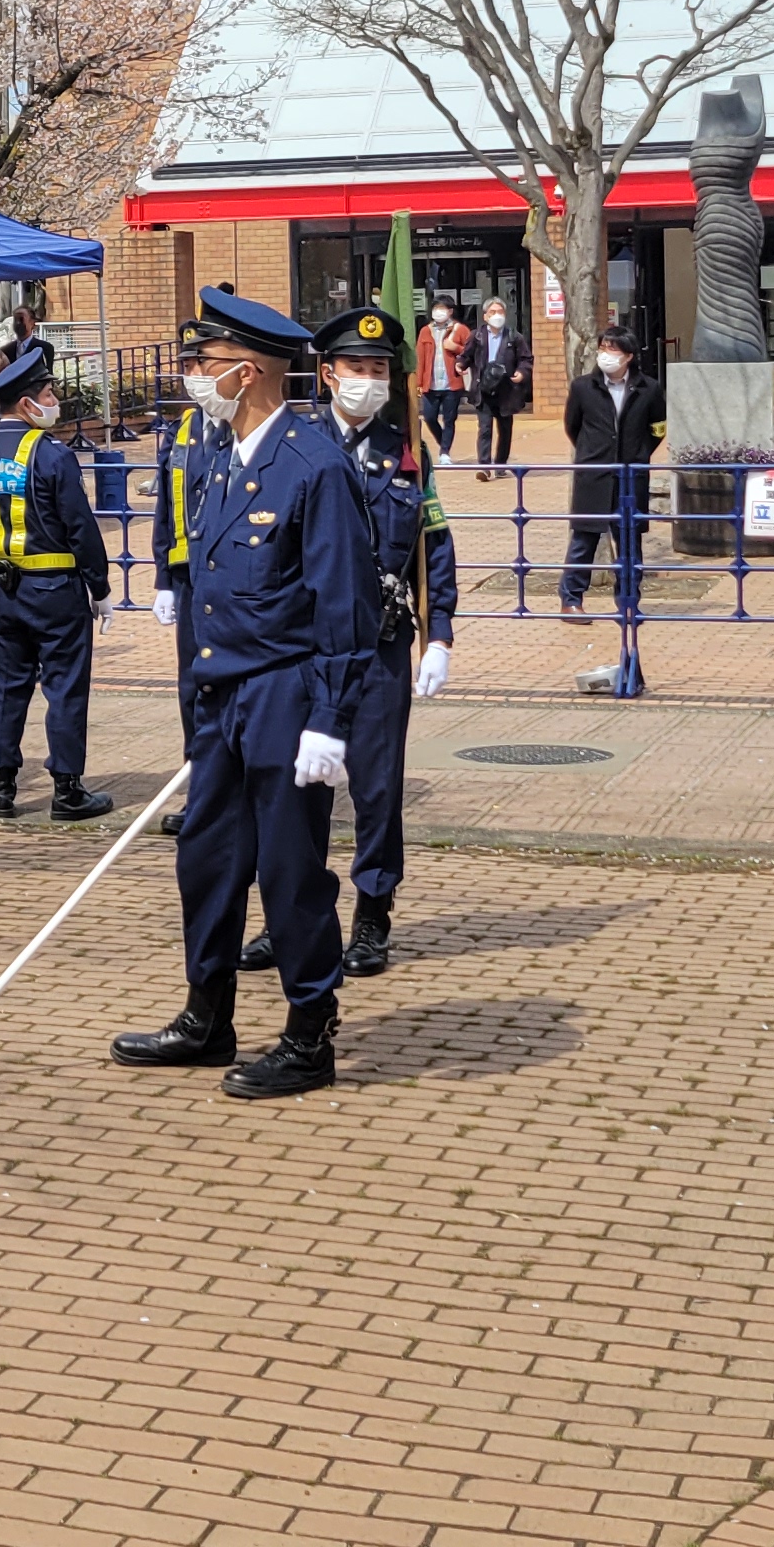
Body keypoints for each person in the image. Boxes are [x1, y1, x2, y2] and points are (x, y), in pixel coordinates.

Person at [111, 290, 378, 1103]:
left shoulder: (313, 462)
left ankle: (308, 1033)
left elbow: (345, 605)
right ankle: (207, 1015)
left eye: (201, 362)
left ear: (246, 369)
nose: (192, 377)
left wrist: (330, 721)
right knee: (208, 860)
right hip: (221, 694)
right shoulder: (220, 452)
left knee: (292, 872)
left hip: (287, 694)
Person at [313, 306, 457, 981]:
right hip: (306, 653)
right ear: (326, 375)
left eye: (378, 370)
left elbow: (436, 550)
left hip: (380, 649)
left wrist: (442, 635)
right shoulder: (298, 446)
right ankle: (296, 915)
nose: (367, 380)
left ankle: (373, 915)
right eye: (355, 369)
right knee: (298, 791)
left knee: (376, 789)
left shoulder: (407, 453)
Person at [0, 341, 114, 824]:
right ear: (26, 403)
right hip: (55, 592)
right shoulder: (52, 455)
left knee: (7, 685)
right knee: (65, 686)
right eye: (48, 392)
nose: (53, 400)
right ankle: (67, 790)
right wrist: (100, 587)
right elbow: (80, 527)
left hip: (0, 594)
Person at [145, 325, 211, 840]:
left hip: (237, 582)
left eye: (200, 366)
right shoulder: (182, 430)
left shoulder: (242, 427)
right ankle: (201, 787)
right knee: (193, 689)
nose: (192, 376)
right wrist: (163, 578)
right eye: (187, 367)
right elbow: (167, 511)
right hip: (190, 582)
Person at [557, 323, 663, 619]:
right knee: (584, 540)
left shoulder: (649, 388)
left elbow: (657, 429)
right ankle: (571, 599)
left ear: (628, 355)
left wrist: (639, 455)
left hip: (631, 478)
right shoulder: (583, 387)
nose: (605, 354)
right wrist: (593, 453)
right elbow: (572, 426)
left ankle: (628, 601)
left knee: (630, 543)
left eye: (612, 349)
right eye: (603, 348)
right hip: (594, 475)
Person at [467, 297, 528, 466]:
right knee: (485, 429)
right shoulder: (477, 336)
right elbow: (467, 355)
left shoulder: (514, 337)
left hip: (505, 390)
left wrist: (522, 372)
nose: (496, 316)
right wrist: (460, 364)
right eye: (492, 312)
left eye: (500, 312)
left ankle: (500, 464)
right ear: (485, 316)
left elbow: (526, 359)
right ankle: (484, 465)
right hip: (484, 388)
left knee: (505, 430)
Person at [416, 299, 470, 457]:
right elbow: (420, 358)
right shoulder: (426, 331)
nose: (438, 312)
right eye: (436, 308)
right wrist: (419, 383)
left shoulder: (460, 330)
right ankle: (443, 443)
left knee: (449, 420)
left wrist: (456, 348)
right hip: (430, 384)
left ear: (450, 311)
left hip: (451, 384)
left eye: (442, 308)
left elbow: (471, 352)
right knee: (429, 417)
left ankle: (445, 452)